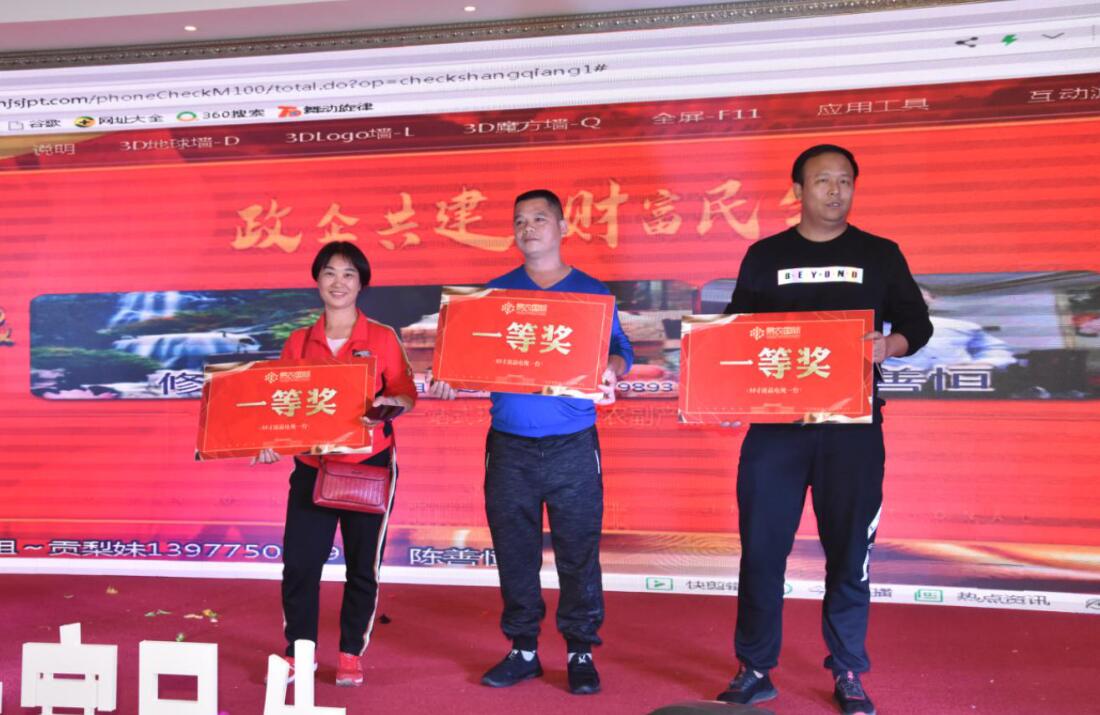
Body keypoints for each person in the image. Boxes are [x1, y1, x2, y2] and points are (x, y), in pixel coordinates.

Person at [717, 145, 932, 715]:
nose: (835, 191)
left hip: (852, 429)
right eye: (822, 181)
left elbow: (917, 323)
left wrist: (891, 344)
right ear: (798, 190)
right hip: (776, 429)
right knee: (762, 551)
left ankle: (848, 670)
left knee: (848, 553)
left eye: (844, 181)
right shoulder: (765, 256)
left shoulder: (879, 254)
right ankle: (754, 667)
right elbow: (736, 330)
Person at [428, 189, 633, 695]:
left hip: (572, 445)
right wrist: (449, 374)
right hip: (510, 446)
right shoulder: (494, 295)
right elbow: (464, 354)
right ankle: (523, 649)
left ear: (563, 227)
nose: (528, 228)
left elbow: (620, 349)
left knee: (578, 551)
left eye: (540, 218)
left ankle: (580, 649)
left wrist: (613, 366)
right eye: (520, 220)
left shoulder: (590, 292)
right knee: (514, 550)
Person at [254, 240, 416, 687]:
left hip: (369, 465)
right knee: (300, 566)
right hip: (313, 467)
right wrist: (268, 441)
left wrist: (387, 406)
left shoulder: (382, 337)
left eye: (348, 274)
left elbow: (406, 393)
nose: (338, 282)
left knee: (363, 566)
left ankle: (350, 654)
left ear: (362, 283)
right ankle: (299, 653)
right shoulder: (298, 341)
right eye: (329, 272)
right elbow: (282, 404)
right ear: (317, 281)